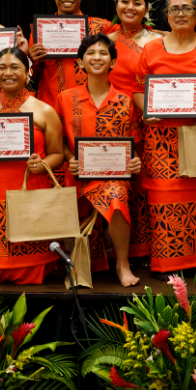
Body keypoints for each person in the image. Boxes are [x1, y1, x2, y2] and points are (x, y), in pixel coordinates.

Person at [133, 0, 196, 278]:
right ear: (166, 15)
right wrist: (147, 111)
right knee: (166, 198)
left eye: (186, 8)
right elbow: (138, 91)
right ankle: (168, 264)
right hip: (162, 140)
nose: (180, 14)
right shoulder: (151, 49)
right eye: (174, 9)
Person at [0, 48, 63, 284]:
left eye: (15, 67)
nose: (8, 73)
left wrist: (42, 164)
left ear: (27, 72)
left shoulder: (44, 110)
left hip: (29, 187)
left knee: (31, 261)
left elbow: (57, 154)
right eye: (1, 68)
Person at [56, 35, 144, 287]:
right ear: (80, 62)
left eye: (103, 53)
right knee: (66, 205)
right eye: (90, 53)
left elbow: (133, 145)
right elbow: (58, 140)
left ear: (113, 61)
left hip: (113, 177)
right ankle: (74, 264)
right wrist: (71, 158)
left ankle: (122, 264)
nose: (97, 57)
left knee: (116, 195)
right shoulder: (65, 98)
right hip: (78, 177)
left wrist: (135, 162)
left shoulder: (125, 101)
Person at [107, 0, 163, 260]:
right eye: (124, 1)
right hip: (115, 119)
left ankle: (150, 247)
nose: (130, 7)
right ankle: (122, 250)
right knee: (121, 183)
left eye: (137, 3)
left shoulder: (160, 40)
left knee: (147, 182)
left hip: (152, 118)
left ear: (147, 9)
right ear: (116, 5)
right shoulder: (103, 40)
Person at [28, 0, 113, 106]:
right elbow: (32, 78)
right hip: (51, 106)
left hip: (91, 105)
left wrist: (161, 33)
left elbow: (131, 33)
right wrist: (30, 60)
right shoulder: (41, 30)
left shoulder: (102, 27)